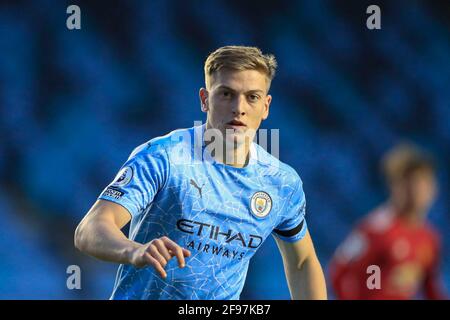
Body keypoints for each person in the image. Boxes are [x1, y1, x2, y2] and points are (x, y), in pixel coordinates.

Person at [74, 46, 327, 300]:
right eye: (226, 94)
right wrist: (134, 251)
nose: (239, 108)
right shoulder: (164, 157)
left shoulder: (282, 183)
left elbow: (302, 261)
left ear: (266, 106)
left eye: (252, 97)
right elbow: (90, 229)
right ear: (205, 99)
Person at [329, 144, 447, 299]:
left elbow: (431, 288)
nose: (417, 191)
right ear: (394, 186)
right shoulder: (375, 230)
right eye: (410, 183)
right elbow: (339, 273)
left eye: (423, 183)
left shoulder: (429, 238)